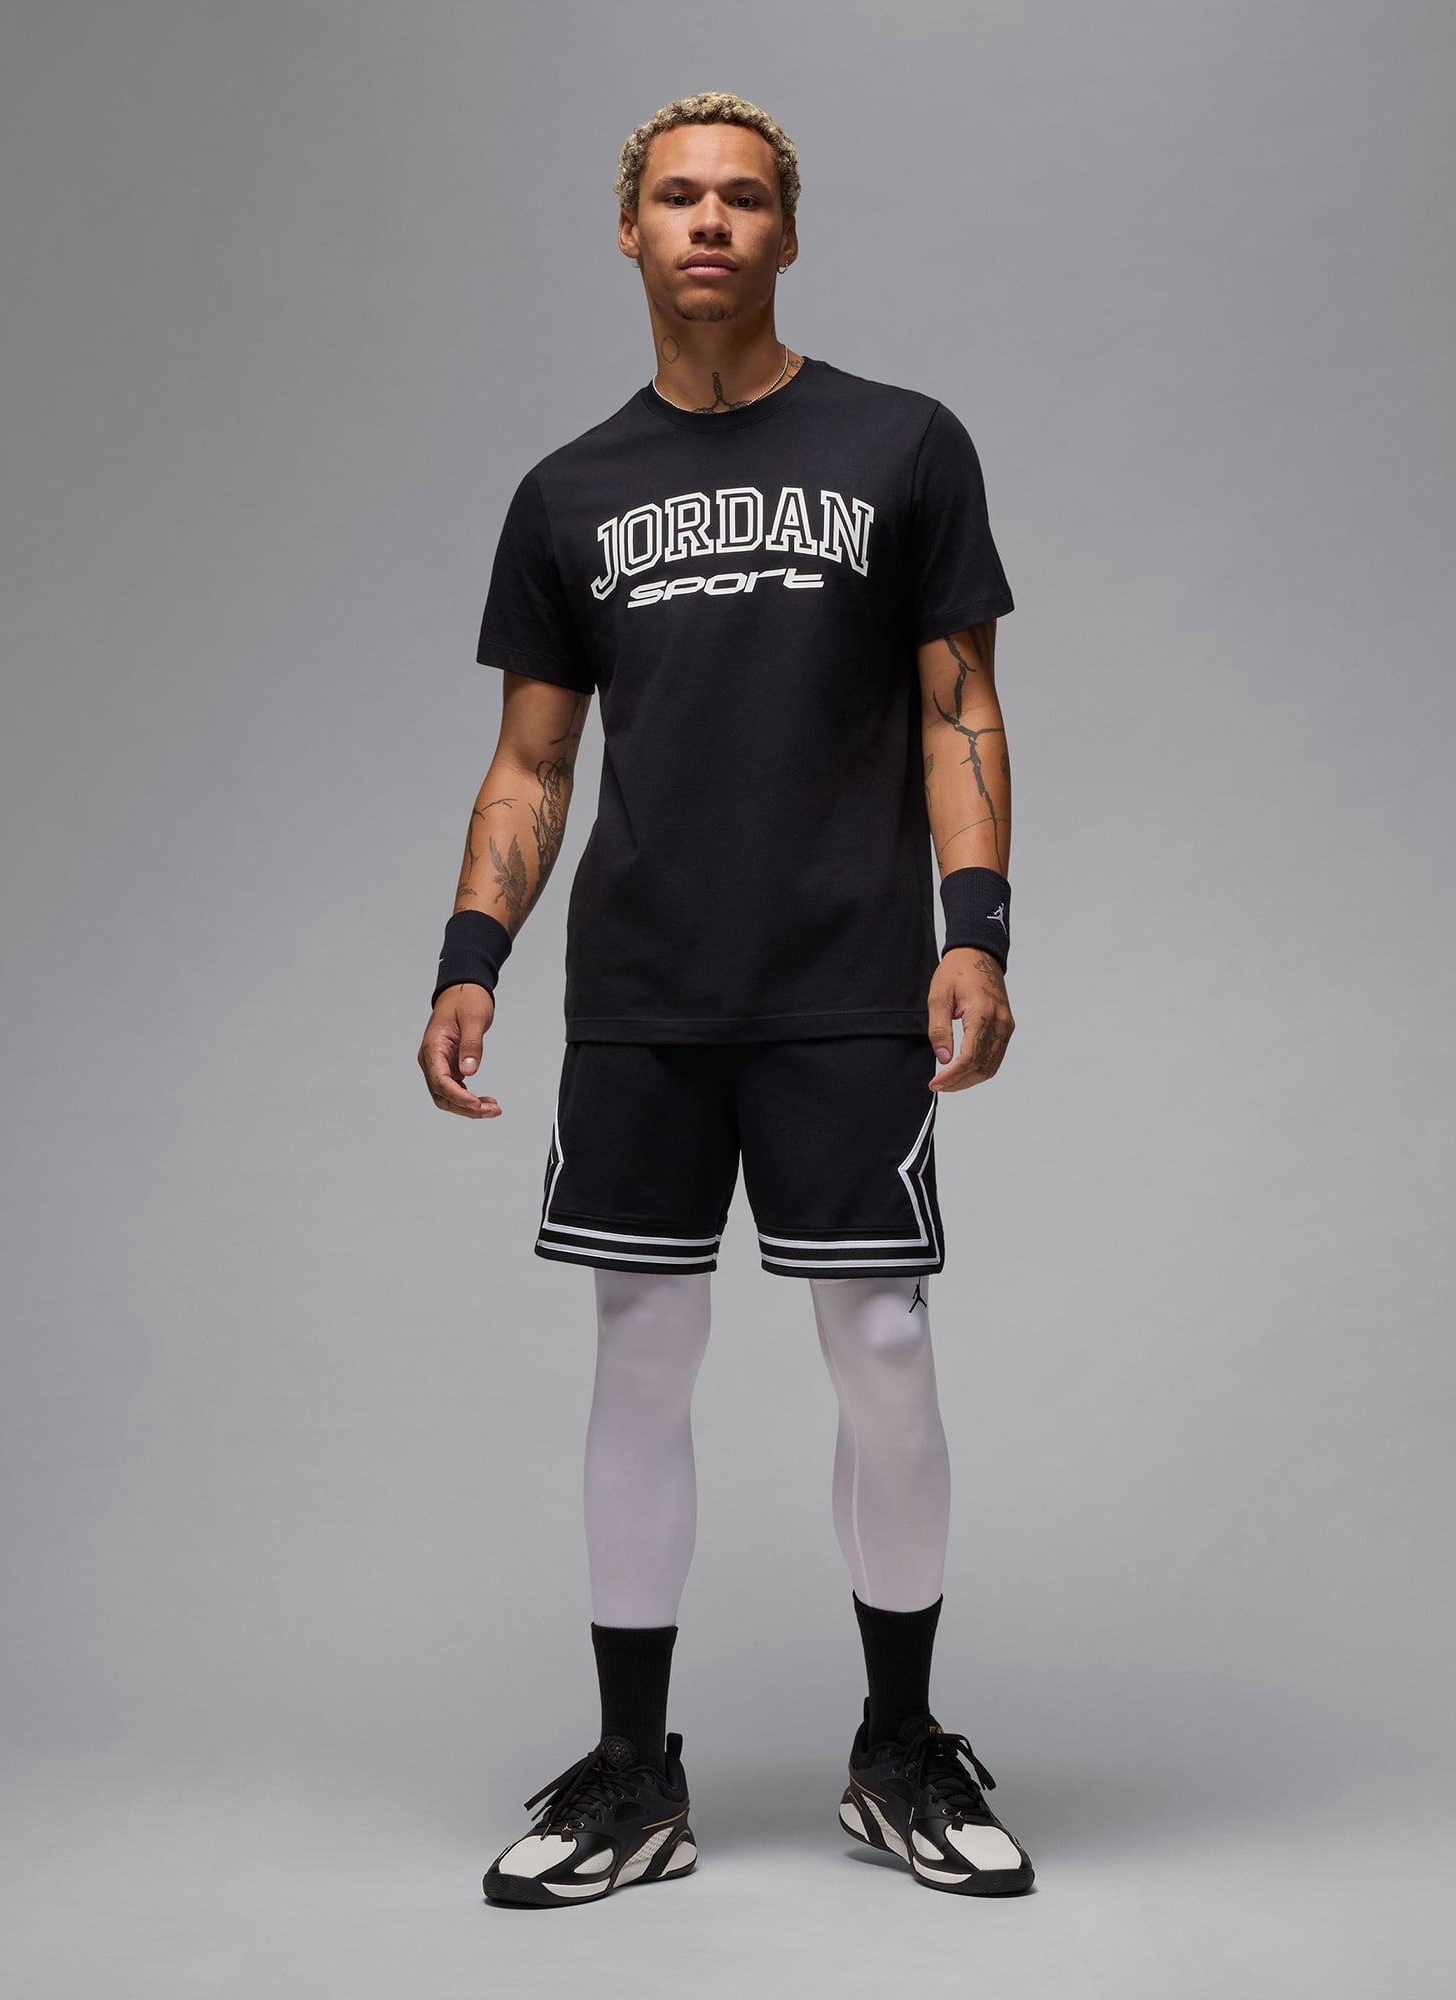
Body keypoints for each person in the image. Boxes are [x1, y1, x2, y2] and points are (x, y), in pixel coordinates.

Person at [420, 90, 1031, 1904]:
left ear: (787, 233)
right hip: (646, 993)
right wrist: (470, 956)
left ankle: (899, 1745)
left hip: (846, 983)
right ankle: (633, 1773)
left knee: (885, 1346)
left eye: (744, 198)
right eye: (678, 195)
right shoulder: (567, 492)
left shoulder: (903, 444)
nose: (710, 221)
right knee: (642, 1350)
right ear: (629, 231)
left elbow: (960, 707)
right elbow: (533, 762)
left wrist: (979, 930)